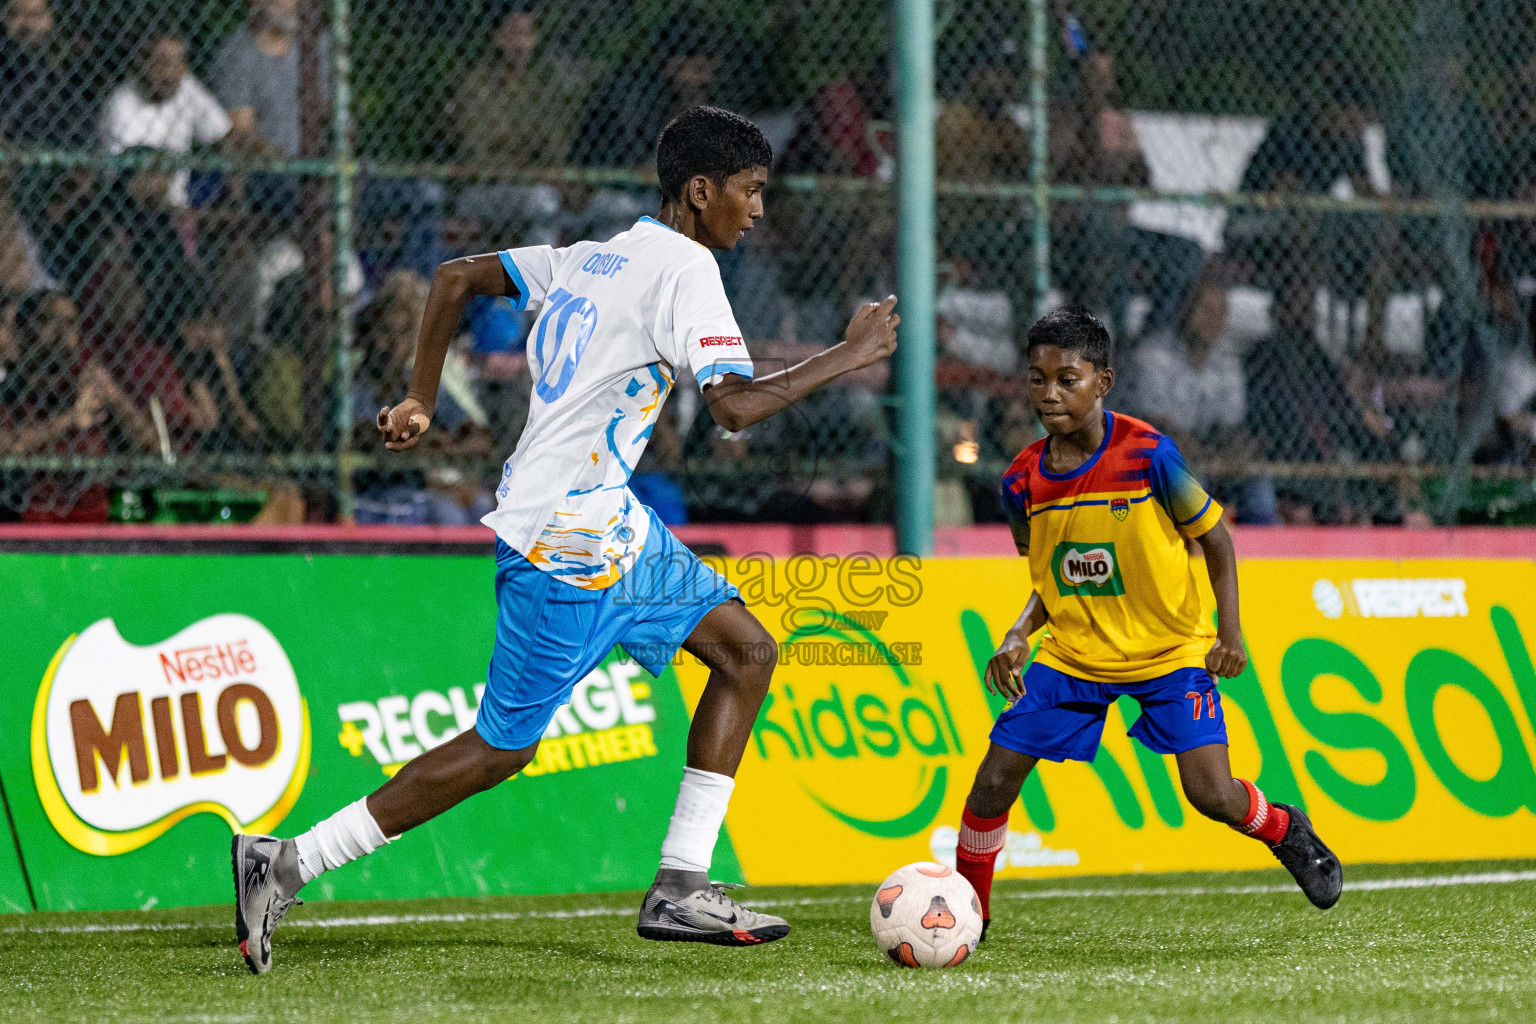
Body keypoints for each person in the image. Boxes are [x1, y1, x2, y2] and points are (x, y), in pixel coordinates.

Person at [230, 105, 900, 972]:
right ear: (702, 192)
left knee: (746, 653)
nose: (759, 209)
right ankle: (286, 862)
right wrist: (849, 354)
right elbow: (733, 408)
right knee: (502, 747)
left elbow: (455, 278)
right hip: (565, 538)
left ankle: (681, 885)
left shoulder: (593, 255)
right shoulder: (688, 269)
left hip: (605, 519)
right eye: (751, 190)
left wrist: (421, 396)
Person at [948, 307, 1341, 942]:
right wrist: (1019, 633)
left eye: (1067, 379)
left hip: (1169, 652)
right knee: (993, 780)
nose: (1049, 393)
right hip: (1074, 655)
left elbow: (1216, 539)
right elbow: (1050, 577)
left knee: (1211, 794)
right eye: (1037, 379)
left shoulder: (1149, 455)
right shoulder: (1020, 480)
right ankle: (968, 914)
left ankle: (1284, 827)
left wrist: (1230, 633)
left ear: (1102, 381)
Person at [100, 33, 232, 209]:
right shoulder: (121, 103)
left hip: (181, 205)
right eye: (162, 62)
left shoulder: (186, 87)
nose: (170, 72)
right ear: (142, 62)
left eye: (179, 63)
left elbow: (226, 135)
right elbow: (137, 186)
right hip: (130, 209)